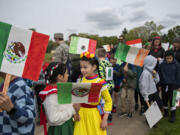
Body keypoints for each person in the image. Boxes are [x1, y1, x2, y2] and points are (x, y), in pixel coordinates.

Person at [74, 52, 112, 135]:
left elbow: (108, 101)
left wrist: (105, 119)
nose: (82, 70)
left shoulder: (100, 82)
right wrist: (76, 113)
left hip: (94, 116)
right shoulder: (80, 80)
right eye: (81, 67)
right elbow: (76, 100)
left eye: (85, 67)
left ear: (94, 67)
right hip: (81, 116)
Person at [39, 62, 80, 135]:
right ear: (60, 77)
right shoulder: (51, 95)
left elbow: (66, 108)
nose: (68, 75)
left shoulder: (61, 89)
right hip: (60, 130)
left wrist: (75, 113)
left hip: (67, 126)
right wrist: (72, 109)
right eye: (66, 73)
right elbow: (53, 118)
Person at [159, 50, 180, 122]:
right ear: (165, 58)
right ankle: (166, 112)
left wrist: (178, 86)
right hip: (164, 85)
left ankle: (173, 115)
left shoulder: (176, 65)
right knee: (165, 99)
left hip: (173, 85)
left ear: (173, 57)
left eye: (170, 58)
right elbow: (160, 75)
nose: (168, 60)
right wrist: (160, 85)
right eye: (167, 58)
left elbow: (178, 76)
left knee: (173, 100)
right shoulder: (162, 65)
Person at [96, 48, 114, 124]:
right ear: (105, 55)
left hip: (104, 86)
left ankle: (104, 119)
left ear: (97, 55)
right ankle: (109, 117)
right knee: (109, 101)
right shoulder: (108, 63)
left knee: (103, 103)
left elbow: (100, 77)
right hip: (111, 85)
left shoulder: (100, 64)